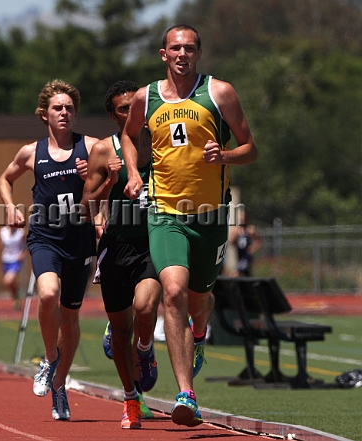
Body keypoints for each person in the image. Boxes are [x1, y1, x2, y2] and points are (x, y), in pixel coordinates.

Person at [121, 24, 258, 427]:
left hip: (211, 216)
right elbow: (129, 137)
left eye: (190, 48)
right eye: (175, 48)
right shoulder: (145, 98)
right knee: (174, 291)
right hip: (165, 212)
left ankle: (198, 336)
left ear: (199, 53)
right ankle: (187, 394)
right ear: (163, 54)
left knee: (199, 300)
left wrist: (226, 156)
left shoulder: (220, 92)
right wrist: (132, 172)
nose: (182, 54)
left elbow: (250, 148)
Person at [0, 79, 98, 421]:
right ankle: (49, 357)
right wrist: (10, 206)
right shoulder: (31, 152)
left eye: (70, 108)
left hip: (80, 241)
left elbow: (112, 178)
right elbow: (4, 179)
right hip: (44, 236)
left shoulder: (92, 147)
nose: (65, 113)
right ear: (44, 115)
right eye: (58, 108)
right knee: (46, 295)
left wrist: (94, 176)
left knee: (70, 317)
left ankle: (59, 384)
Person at [81, 81, 162, 429]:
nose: (132, 113)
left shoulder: (161, 144)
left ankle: (145, 347)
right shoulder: (102, 150)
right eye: (123, 109)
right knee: (119, 327)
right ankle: (131, 398)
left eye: (136, 106)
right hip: (116, 245)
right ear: (113, 115)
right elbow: (86, 207)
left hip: (155, 240)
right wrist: (112, 181)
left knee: (145, 308)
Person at [0, 225, 26, 310]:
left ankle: (16, 295)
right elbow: (2, 244)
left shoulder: (20, 232)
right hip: (6, 259)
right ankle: (16, 294)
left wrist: (22, 254)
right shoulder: (3, 231)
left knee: (8, 281)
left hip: (16, 260)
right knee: (8, 282)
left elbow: (26, 244)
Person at [229, 209, 261, 277]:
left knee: (236, 273)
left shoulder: (250, 230)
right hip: (240, 255)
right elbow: (231, 243)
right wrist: (235, 235)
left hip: (247, 256)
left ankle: (231, 287)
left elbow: (259, 241)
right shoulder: (236, 230)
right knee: (246, 275)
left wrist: (252, 248)